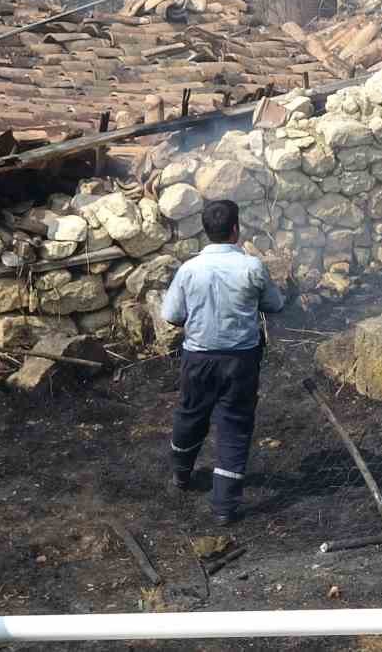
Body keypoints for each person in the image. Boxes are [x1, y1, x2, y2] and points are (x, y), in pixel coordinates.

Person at [160, 200, 285, 524]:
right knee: (235, 426)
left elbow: (172, 315)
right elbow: (274, 304)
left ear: (206, 230)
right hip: (240, 361)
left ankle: (181, 475)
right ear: (235, 229)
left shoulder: (189, 269)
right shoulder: (252, 267)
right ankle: (224, 509)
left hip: (198, 359)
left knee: (191, 415)